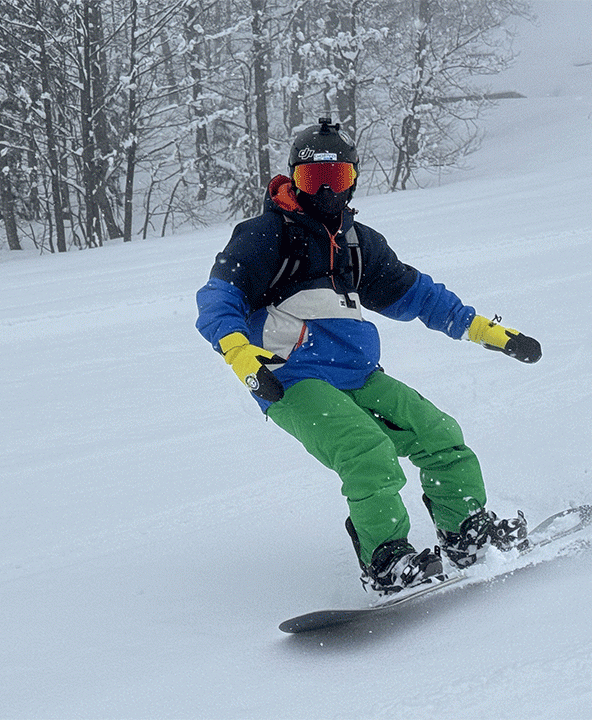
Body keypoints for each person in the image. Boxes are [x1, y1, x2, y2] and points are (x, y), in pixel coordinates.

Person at [195, 117, 543, 596]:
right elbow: (217, 299)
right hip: (290, 379)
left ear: (353, 180)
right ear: (294, 179)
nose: (325, 191)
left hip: (358, 375)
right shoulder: (264, 236)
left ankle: (466, 532)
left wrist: (485, 330)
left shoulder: (359, 245)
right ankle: (386, 559)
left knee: (439, 434)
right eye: (312, 179)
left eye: (336, 178)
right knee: (366, 451)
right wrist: (240, 355)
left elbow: (420, 296)